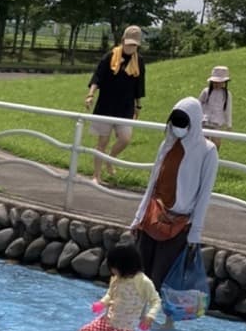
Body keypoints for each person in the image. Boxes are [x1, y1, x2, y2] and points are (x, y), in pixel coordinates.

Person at [129, 95, 218, 297]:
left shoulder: (207, 151)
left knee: (164, 279)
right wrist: (138, 217)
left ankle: (163, 321)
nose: (178, 127)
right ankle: (139, 320)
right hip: (152, 216)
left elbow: (204, 194)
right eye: (174, 122)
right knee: (139, 277)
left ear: (193, 122)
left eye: (182, 122)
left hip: (179, 223)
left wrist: (195, 232)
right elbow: (153, 183)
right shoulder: (167, 145)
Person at [70, 239, 160, 331]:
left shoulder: (143, 282)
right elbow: (110, 294)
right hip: (107, 319)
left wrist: (150, 316)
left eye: (113, 267)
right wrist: (102, 303)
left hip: (124, 327)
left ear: (125, 265)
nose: (112, 270)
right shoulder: (117, 278)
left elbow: (156, 300)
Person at [84, 25, 146, 184]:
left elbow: (139, 85)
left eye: (134, 45)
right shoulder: (110, 56)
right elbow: (97, 77)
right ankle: (96, 175)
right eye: (129, 43)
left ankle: (110, 159)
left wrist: (138, 105)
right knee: (102, 142)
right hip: (106, 105)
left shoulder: (139, 61)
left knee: (125, 138)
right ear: (123, 41)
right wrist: (91, 95)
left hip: (125, 107)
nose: (131, 47)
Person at [199, 65, 232, 149]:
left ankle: (213, 157)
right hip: (205, 121)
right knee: (203, 142)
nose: (217, 84)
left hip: (217, 122)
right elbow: (198, 103)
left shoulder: (226, 94)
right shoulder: (206, 91)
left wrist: (229, 124)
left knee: (216, 142)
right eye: (215, 82)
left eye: (219, 82)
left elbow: (228, 109)